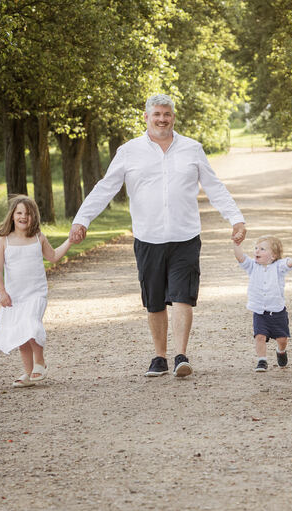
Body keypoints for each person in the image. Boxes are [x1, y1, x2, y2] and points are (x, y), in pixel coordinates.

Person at [69, 94, 246, 378]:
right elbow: (106, 187)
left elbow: (214, 186)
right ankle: (159, 356)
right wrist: (82, 219)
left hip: (185, 235)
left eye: (167, 114)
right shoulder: (129, 151)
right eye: (157, 114)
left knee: (182, 297)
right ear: (146, 117)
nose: (162, 119)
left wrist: (235, 218)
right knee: (154, 302)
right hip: (148, 237)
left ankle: (181, 355)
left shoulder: (192, 148)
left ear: (173, 117)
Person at [0, 195, 73, 387]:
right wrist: (2, 292)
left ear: (33, 217)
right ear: (12, 216)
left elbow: (53, 256)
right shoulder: (5, 241)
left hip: (36, 293)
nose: (23, 217)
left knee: (31, 325)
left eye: (27, 214)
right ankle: (28, 374)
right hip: (15, 296)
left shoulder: (38, 238)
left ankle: (40, 362)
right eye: (19, 213)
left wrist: (70, 240)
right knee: (22, 336)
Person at [233, 235, 292, 372]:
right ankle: (262, 360)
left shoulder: (278, 267)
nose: (257, 251)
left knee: (282, 338)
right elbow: (240, 257)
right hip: (260, 311)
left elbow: (290, 262)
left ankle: (281, 351)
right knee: (259, 336)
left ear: (273, 256)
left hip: (277, 311)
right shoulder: (252, 266)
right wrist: (236, 244)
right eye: (256, 248)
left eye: (262, 249)